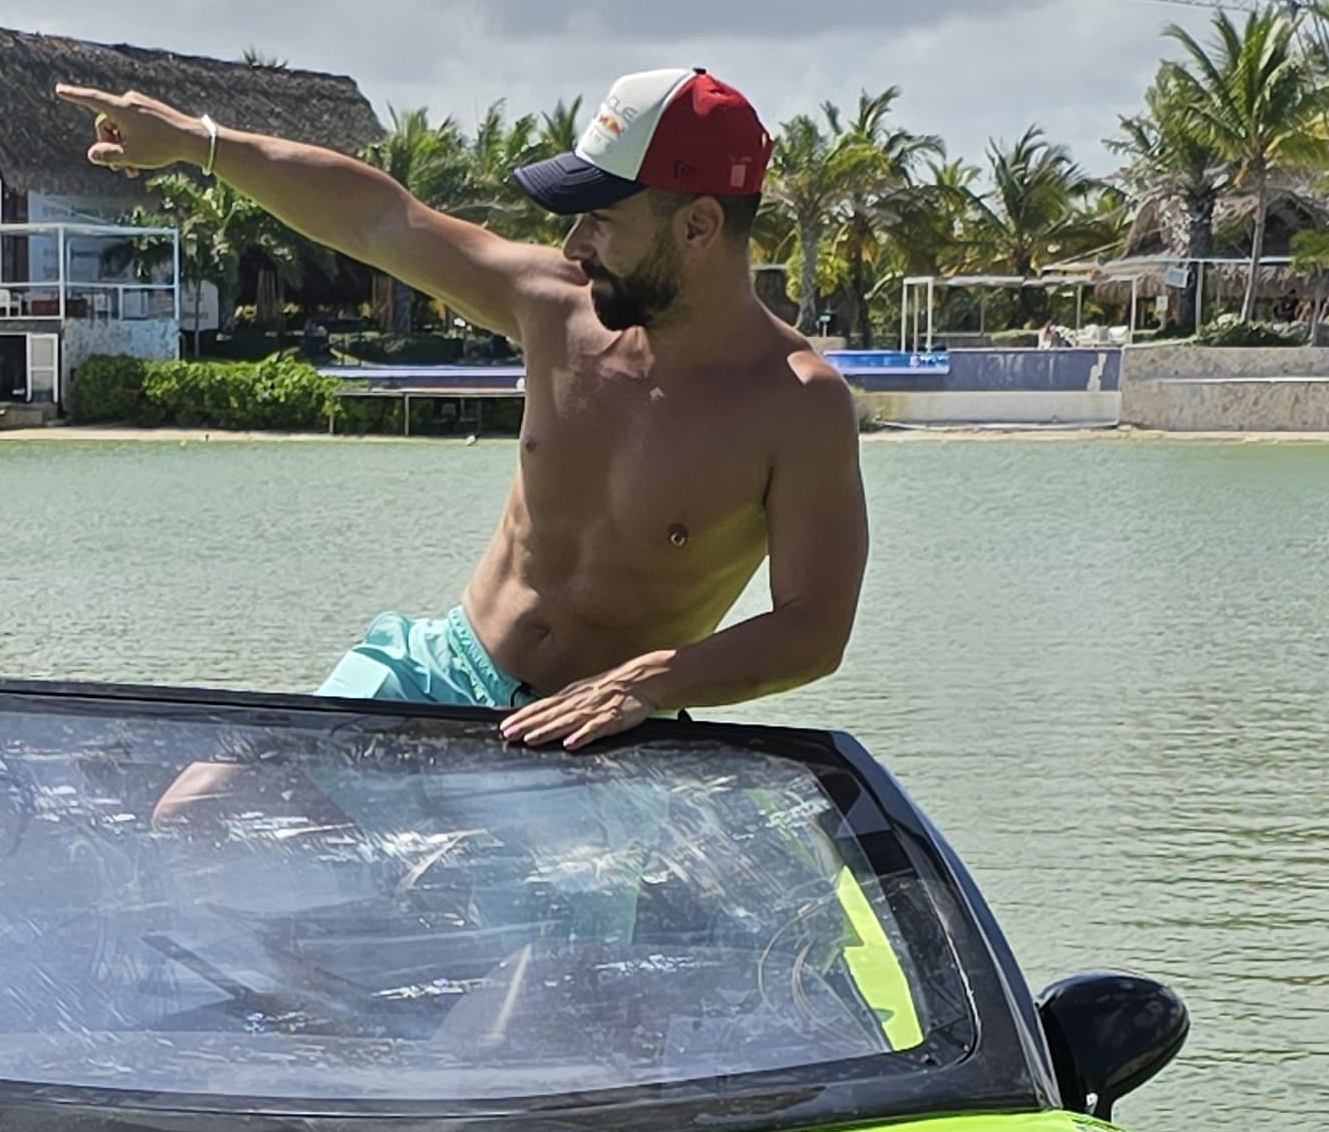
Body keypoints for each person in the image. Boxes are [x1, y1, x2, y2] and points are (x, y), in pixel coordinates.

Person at [54, 63, 865, 747]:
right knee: (203, 815)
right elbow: (382, 219)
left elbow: (813, 627)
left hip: (599, 730)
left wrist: (652, 681)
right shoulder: (556, 305)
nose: (575, 244)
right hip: (444, 667)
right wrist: (203, 145)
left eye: (603, 220)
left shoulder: (797, 405)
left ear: (696, 226)